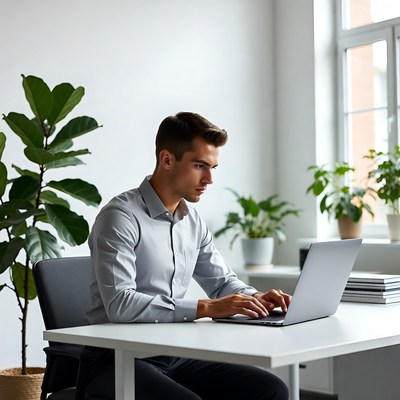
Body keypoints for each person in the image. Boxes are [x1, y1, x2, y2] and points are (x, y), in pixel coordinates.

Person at [86, 112, 292, 400]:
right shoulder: (120, 217)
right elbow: (120, 304)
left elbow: (222, 284)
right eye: (199, 166)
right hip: (116, 358)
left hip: (175, 353)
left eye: (213, 167)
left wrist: (255, 298)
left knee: (271, 389)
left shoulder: (191, 220)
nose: (209, 179)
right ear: (167, 160)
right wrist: (206, 308)